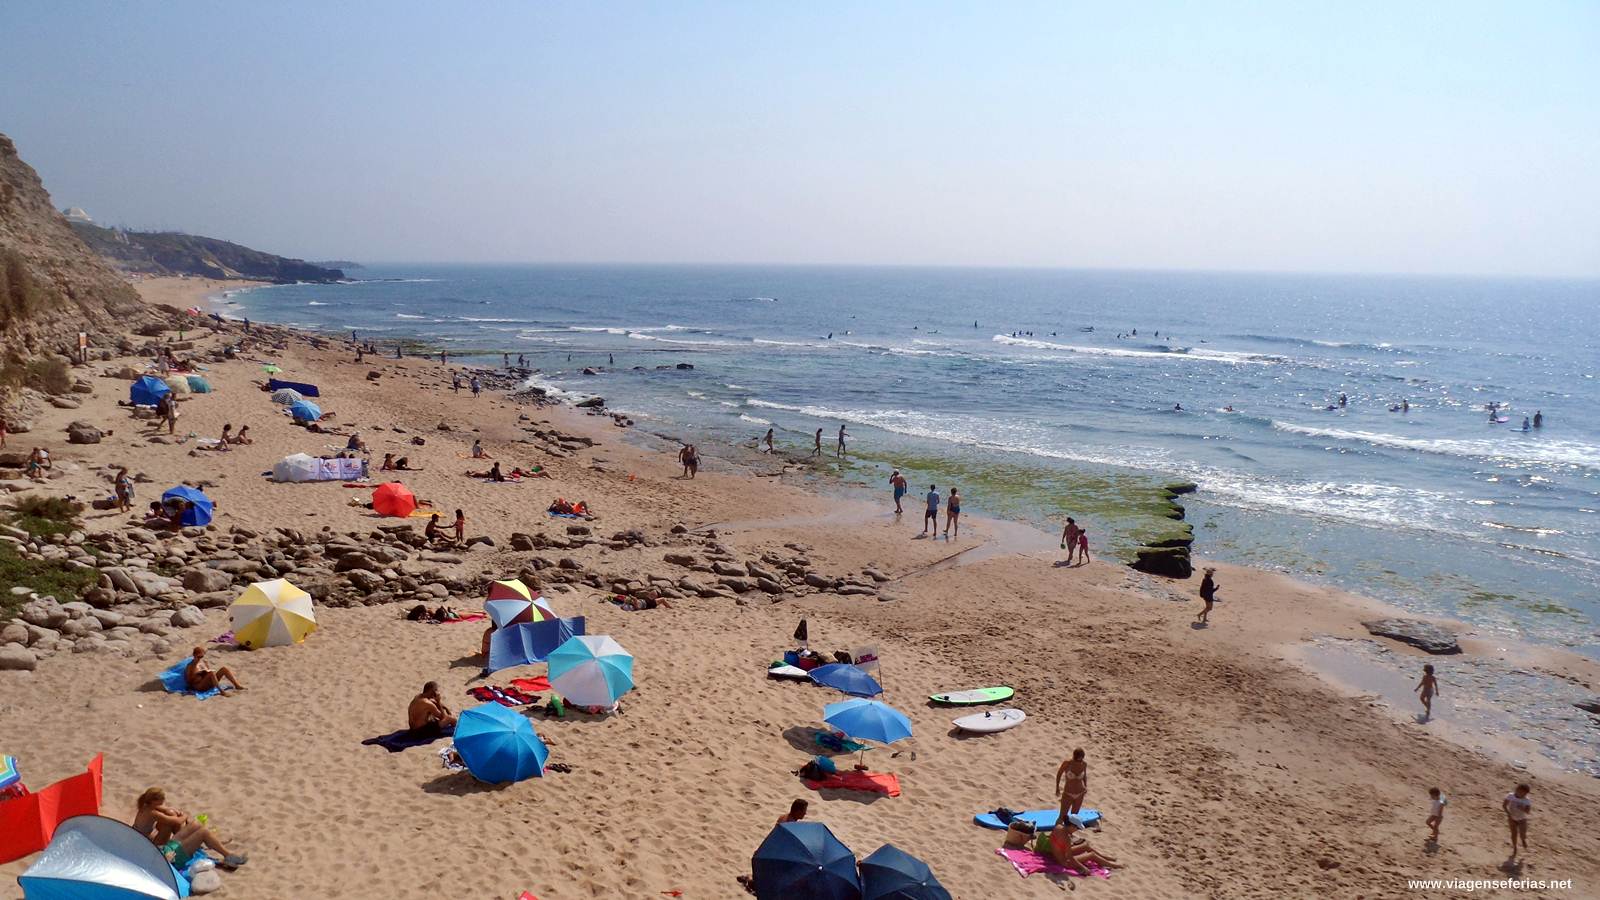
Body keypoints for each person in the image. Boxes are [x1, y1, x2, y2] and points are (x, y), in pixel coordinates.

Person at [132, 788, 248, 870]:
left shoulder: (147, 806)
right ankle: (228, 856)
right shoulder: (152, 812)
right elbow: (177, 821)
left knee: (197, 824)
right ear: (153, 801)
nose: (163, 803)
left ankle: (213, 848)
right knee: (203, 832)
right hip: (167, 855)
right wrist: (184, 816)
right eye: (161, 801)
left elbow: (166, 810)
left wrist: (174, 812)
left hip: (163, 847)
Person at [1056, 748, 1088, 820]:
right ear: (1074, 757)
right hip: (1068, 793)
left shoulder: (1084, 764)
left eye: (1081, 759)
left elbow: (1084, 776)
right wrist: (1057, 787)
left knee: (1074, 817)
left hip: (1080, 794)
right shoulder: (1067, 763)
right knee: (1062, 817)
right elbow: (1059, 774)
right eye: (1078, 759)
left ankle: (1069, 827)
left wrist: (1086, 786)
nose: (1080, 761)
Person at [1503, 784, 1531, 855]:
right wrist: (1508, 814)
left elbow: (1528, 812)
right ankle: (1515, 847)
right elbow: (1504, 805)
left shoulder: (1526, 800)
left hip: (1522, 819)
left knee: (1522, 833)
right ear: (1516, 790)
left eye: (1524, 793)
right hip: (1512, 818)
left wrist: (1523, 808)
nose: (1521, 794)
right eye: (1519, 792)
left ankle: (1523, 839)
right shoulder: (1511, 796)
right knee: (1514, 833)